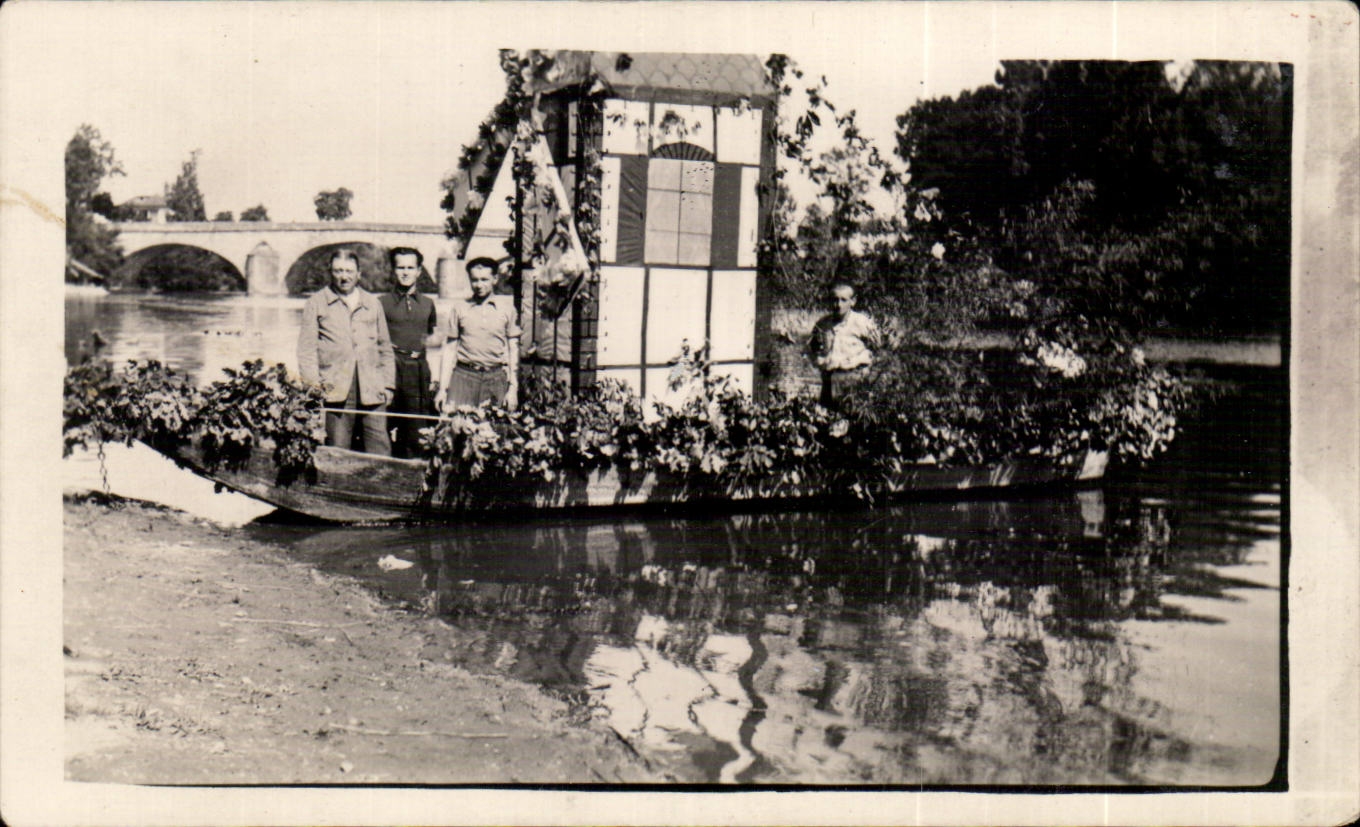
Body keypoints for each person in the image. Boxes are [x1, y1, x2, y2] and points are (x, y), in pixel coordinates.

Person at [297, 248, 395, 455]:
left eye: (349, 271)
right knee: (338, 451)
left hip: (372, 386)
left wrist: (388, 385)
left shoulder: (372, 303)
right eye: (338, 271)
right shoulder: (315, 303)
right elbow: (306, 351)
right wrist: (313, 387)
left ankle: (379, 486)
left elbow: (385, 347)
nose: (344, 277)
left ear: (359, 274)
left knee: (379, 447)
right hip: (336, 388)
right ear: (330, 273)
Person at [378, 247, 439, 458]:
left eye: (410, 267)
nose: (405, 272)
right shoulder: (381, 304)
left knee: (416, 432)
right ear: (393, 270)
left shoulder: (428, 304)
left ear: (419, 271)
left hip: (417, 372)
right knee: (381, 429)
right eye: (400, 267)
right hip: (389, 371)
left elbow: (431, 337)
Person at [438, 257, 521, 410]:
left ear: (495, 279)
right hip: (464, 376)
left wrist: (513, 387)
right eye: (474, 280)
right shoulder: (460, 308)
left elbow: (514, 349)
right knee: (456, 427)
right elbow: (449, 350)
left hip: (495, 377)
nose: (479, 285)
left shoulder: (507, 309)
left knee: (493, 430)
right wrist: (442, 389)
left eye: (484, 279)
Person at [807, 281, 881, 408]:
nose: (838, 305)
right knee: (825, 418)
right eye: (835, 300)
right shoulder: (822, 324)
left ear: (853, 301)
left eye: (843, 300)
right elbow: (810, 348)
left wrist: (861, 363)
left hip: (853, 381)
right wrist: (818, 361)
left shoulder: (863, 323)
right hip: (829, 382)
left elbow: (878, 350)